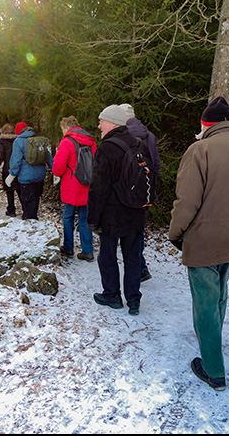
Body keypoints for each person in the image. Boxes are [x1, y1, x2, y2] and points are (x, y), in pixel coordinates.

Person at [168, 96, 229, 391]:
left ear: (206, 124)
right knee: (220, 293)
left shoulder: (200, 150)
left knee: (205, 303)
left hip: (204, 241)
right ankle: (214, 343)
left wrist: (175, 233)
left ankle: (213, 369)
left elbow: (187, 202)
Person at [87, 105, 147, 316]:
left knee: (107, 256)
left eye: (101, 121)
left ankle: (112, 295)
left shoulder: (106, 148)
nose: (99, 125)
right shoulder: (139, 144)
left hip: (112, 215)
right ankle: (133, 300)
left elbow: (98, 188)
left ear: (112, 122)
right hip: (136, 212)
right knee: (132, 258)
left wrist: (92, 219)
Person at [120, 103, 161, 283]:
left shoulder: (122, 136)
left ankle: (138, 269)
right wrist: (151, 187)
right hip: (146, 191)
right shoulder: (150, 135)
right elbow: (156, 165)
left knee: (127, 231)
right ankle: (141, 266)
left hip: (127, 193)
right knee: (138, 229)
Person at [52, 116, 97, 261]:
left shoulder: (67, 142)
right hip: (88, 184)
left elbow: (58, 168)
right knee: (85, 219)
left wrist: (57, 174)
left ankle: (68, 247)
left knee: (68, 217)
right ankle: (88, 251)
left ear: (66, 128)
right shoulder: (91, 141)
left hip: (71, 185)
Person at [6, 122, 54, 220]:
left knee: (28, 206)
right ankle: (34, 223)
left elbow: (16, 161)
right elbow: (48, 157)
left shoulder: (18, 142)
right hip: (40, 177)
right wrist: (54, 171)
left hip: (26, 178)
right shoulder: (39, 140)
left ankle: (31, 228)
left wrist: (11, 175)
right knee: (35, 203)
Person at [0, 123, 21, 217]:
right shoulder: (18, 140)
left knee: (9, 190)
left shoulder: (2, 141)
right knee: (20, 190)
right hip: (19, 168)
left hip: (7, 169)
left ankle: (11, 209)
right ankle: (25, 209)